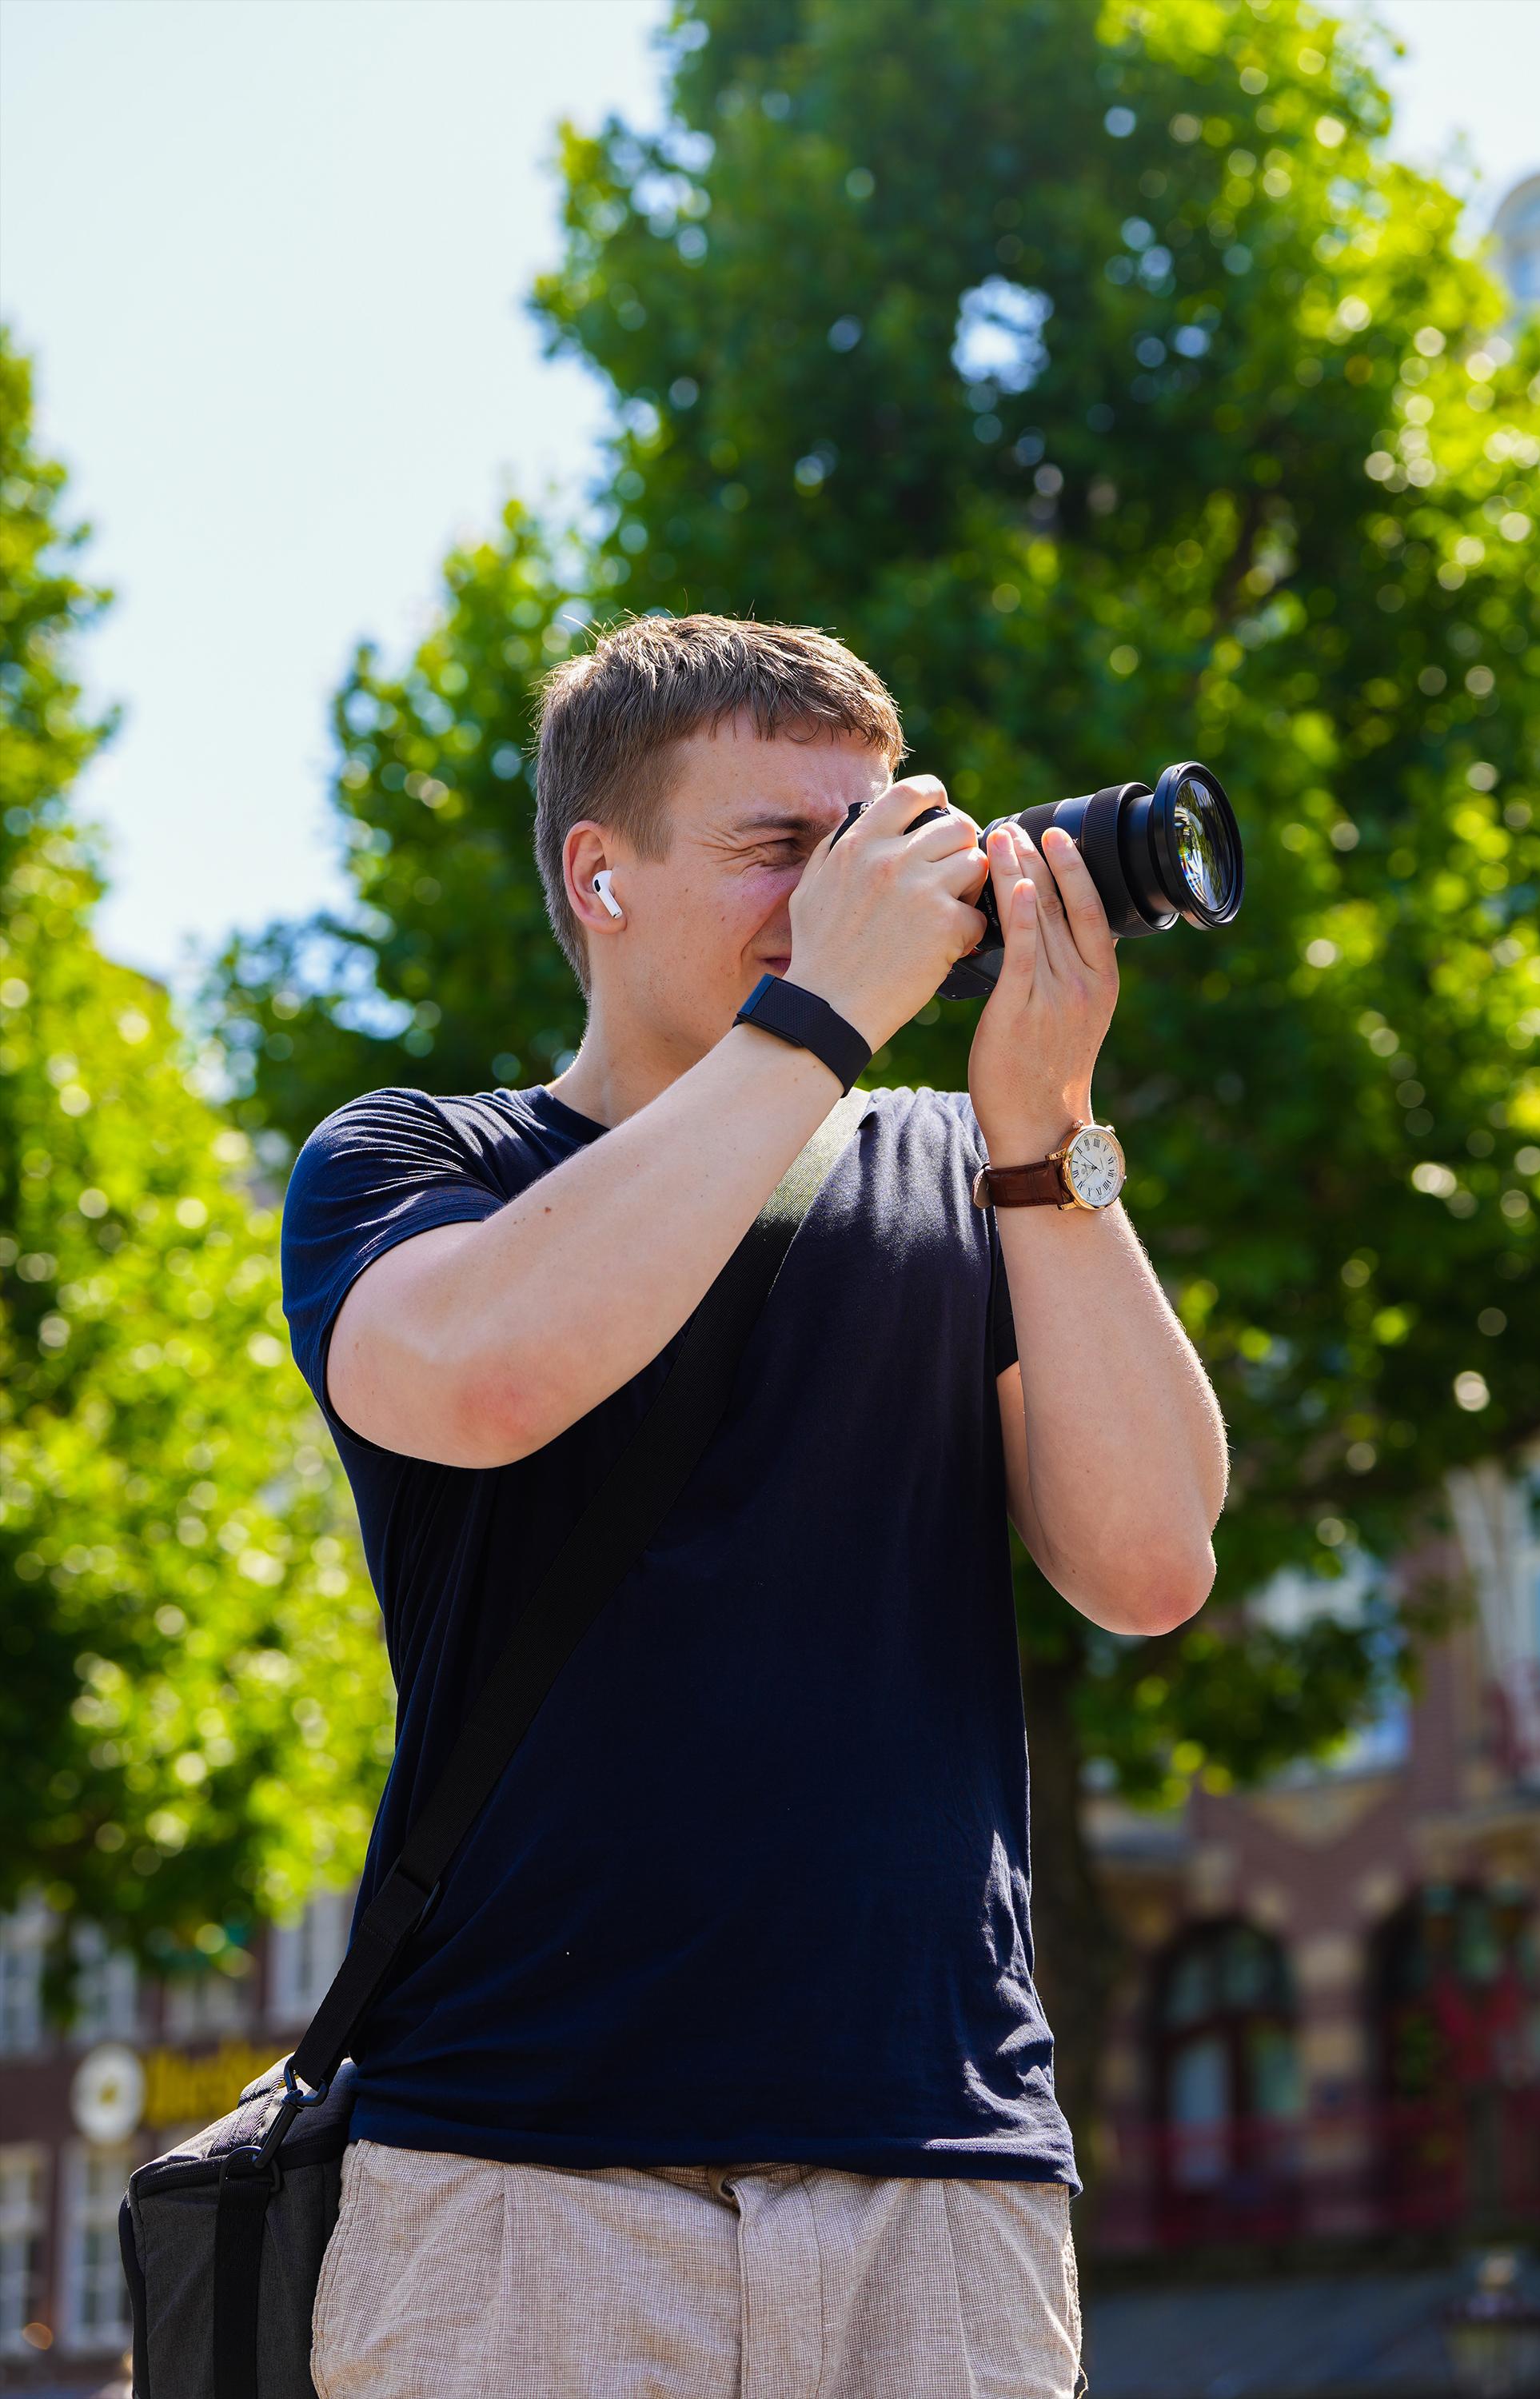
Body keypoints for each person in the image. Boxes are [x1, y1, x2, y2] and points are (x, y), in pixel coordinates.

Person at [281, 614, 1227, 2398]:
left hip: (941, 2177)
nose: (852, 893)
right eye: (781, 847)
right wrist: (822, 1015)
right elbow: (478, 1381)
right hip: (518, 2174)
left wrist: (1045, 1125)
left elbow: (1149, 1561)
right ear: (602, 877)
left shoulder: (959, 1166)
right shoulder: (415, 1163)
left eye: (874, 838)